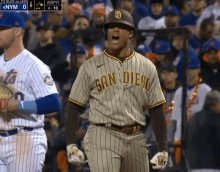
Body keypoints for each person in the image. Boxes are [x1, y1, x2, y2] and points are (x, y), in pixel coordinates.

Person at [65, 9, 168, 172]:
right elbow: (74, 106)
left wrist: (163, 148)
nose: (115, 30)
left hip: (135, 137)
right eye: (111, 27)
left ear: (130, 33)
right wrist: (70, 143)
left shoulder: (147, 66)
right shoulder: (90, 66)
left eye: (121, 27)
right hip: (102, 135)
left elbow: (156, 109)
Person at [0, 12, 61, 172]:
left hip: (25, 139)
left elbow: (53, 103)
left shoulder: (34, 65)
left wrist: (17, 105)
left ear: (18, 31)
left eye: (2, 29)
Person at [171, 52, 211, 163]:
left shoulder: (205, 90)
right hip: (180, 135)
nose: (190, 71)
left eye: (193, 68)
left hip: (199, 135)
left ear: (198, 69)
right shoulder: (180, 91)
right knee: (179, 165)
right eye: (188, 68)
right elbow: (175, 118)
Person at [184, 90, 220, 172]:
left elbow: (185, 140)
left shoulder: (193, 118)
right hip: (213, 166)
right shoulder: (217, 119)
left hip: (194, 166)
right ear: (215, 104)